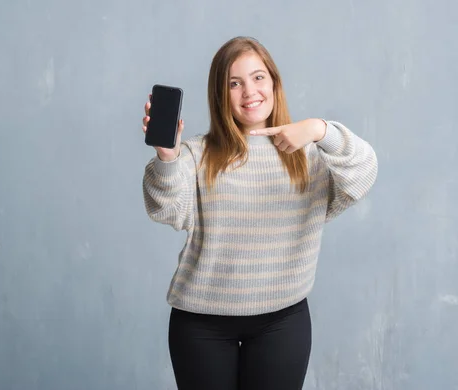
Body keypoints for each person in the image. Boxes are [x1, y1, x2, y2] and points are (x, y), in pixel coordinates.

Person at [141, 36, 378, 390]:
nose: (248, 91)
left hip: (282, 321)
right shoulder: (197, 154)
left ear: (273, 83)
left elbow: (363, 171)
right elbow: (166, 209)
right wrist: (167, 157)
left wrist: (319, 129)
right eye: (233, 83)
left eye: (257, 77)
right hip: (201, 324)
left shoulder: (308, 152)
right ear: (221, 95)